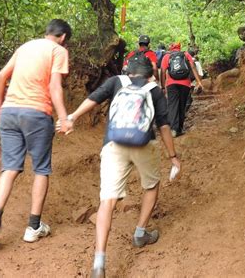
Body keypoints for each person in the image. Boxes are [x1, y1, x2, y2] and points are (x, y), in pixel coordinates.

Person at [65, 55, 181, 278]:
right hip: (143, 144)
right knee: (151, 185)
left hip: (113, 145)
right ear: (150, 75)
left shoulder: (116, 81)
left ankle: (99, 261)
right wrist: (172, 156)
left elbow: (94, 99)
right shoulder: (154, 90)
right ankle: (140, 232)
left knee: (107, 201)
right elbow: (164, 125)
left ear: (129, 72)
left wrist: (73, 116)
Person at [0, 19, 74, 245]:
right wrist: (63, 118)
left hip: (10, 112)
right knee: (41, 169)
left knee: (10, 168)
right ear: (62, 37)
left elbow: (1, 77)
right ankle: (33, 227)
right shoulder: (58, 50)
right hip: (37, 113)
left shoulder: (24, 47)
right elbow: (54, 86)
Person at [160, 42, 203, 137]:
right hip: (185, 84)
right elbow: (192, 67)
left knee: (172, 105)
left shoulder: (167, 56)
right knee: (182, 106)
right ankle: (179, 128)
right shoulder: (186, 54)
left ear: (171, 48)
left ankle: (173, 129)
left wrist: (163, 86)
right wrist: (198, 81)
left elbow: (163, 72)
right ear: (179, 48)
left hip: (171, 84)